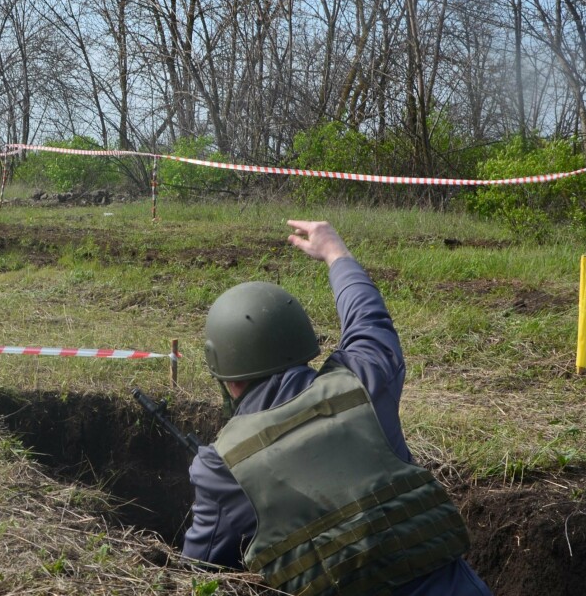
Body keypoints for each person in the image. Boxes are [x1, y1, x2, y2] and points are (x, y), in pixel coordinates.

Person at [183, 219, 492, 595]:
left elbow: (198, 571)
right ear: (302, 340)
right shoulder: (362, 380)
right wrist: (335, 253)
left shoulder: (220, 466)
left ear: (227, 376)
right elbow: (368, 317)